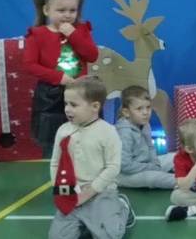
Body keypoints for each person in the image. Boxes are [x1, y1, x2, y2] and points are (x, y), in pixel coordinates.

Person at [48, 76, 134, 238]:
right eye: (66, 104)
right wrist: (60, 189)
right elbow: (55, 163)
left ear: (95, 106)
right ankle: (85, 223)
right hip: (71, 192)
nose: (67, 109)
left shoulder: (108, 131)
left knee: (110, 235)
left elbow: (113, 167)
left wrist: (90, 191)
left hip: (101, 192)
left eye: (73, 105)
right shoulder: (63, 131)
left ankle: (122, 208)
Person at [24, 0, 98, 156]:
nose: (67, 15)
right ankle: (55, 166)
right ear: (46, 10)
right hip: (50, 95)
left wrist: (73, 35)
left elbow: (92, 55)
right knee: (51, 139)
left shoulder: (81, 30)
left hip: (80, 91)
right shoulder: (37, 34)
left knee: (83, 136)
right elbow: (30, 65)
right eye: (61, 10)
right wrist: (58, 77)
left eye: (72, 10)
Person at [116, 85, 175, 189]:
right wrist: (151, 167)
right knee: (153, 178)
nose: (145, 112)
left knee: (175, 156)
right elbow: (125, 165)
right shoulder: (124, 132)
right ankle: (188, 182)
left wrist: (155, 164)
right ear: (126, 112)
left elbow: (150, 147)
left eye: (148, 107)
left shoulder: (145, 124)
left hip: (146, 164)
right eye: (139, 109)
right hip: (127, 174)